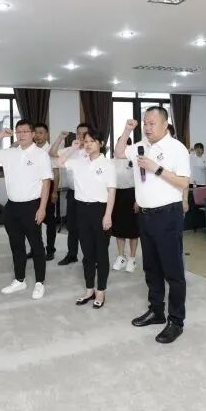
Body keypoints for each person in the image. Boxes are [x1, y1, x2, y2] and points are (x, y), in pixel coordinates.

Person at [115, 107, 190, 344]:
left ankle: (176, 321)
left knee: (173, 271)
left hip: (168, 215)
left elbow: (183, 183)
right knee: (151, 268)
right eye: (145, 123)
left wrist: (155, 168)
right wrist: (127, 130)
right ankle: (157, 311)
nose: (147, 128)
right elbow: (118, 152)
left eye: (152, 123)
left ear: (165, 124)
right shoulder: (140, 145)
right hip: (145, 216)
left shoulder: (177, 148)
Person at [0, 121, 53, 299]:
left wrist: (42, 208)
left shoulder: (41, 155)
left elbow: (46, 183)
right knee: (16, 245)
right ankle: (19, 280)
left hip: (32, 206)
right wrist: (1, 135)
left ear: (32, 134)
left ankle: (39, 282)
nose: (21, 134)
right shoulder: (10, 153)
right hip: (12, 206)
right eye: (18, 131)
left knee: (36, 246)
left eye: (25, 131)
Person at [57, 128, 117, 308]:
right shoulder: (79, 161)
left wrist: (108, 215)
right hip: (81, 209)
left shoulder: (107, 165)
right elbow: (59, 162)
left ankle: (101, 290)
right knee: (87, 253)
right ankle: (89, 289)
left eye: (92, 141)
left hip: (100, 210)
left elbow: (111, 192)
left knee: (101, 253)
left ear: (101, 144)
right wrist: (73, 148)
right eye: (86, 141)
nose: (88, 144)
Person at [52, 124, 90, 266]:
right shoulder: (71, 149)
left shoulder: (92, 150)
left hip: (88, 194)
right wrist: (60, 138)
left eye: (84, 133)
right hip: (73, 193)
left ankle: (89, 257)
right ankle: (72, 254)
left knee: (87, 228)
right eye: (78, 133)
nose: (81, 136)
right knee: (72, 226)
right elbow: (52, 153)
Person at [31, 123, 59, 261]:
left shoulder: (51, 150)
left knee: (49, 221)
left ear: (46, 134)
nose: (38, 136)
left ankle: (50, 249)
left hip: (48, 186)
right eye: (35, 133)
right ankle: (35, 249)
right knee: (33, 220)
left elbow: (56, 173)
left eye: (41, 133)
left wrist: (54, 192)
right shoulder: (31, 149)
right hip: (33, 187)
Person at [111, 143, 140, 273]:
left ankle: (132, 258)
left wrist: (138, 200)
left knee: (133, 230)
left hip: (132, 195)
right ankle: (121, 256)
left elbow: (140, 182)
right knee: (119, 229)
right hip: (117, 195)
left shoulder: (134, 160)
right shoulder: (112, 161)